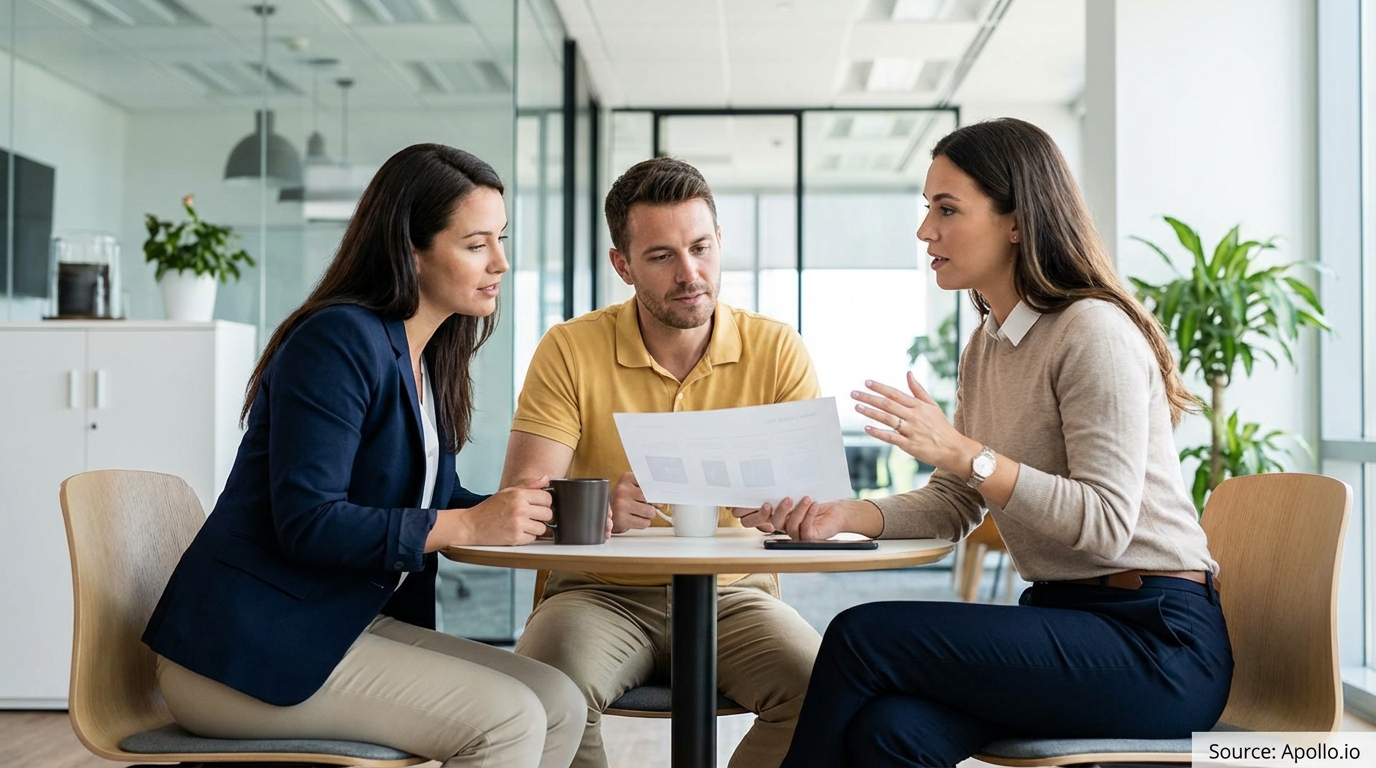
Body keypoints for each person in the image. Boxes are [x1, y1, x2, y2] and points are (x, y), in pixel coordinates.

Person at [742, 118, 1234, 767]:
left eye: (948, 210)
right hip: (1066, 618)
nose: (926, 231)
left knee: (862, 636)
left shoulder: (1093, 333)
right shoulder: (989, 347)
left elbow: (1107, 526)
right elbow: (954, 504)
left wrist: (968, 454)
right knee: (890, 733)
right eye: (927, 209)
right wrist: (843, 516)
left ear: (1017, 221)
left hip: (1155, 643)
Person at [141, 144, 584, 768]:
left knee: (558, 698)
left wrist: (544, 511)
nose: (502, 264)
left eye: (501, 239)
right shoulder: (337, 341)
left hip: (330, 628)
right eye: (477, 243)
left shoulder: (426, 359)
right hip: (241, 655)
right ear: (412, 249)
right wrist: (462, 524)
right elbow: (309, 521)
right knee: (510, 720)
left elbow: (427, 500)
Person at [503, 156, 824, 768]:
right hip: (599, 595)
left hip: (734, 597)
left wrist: (787, 507)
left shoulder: (776, 348)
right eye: (661, 257)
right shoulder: (570, 348)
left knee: (827, 690)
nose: (690, 273)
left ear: (719, 242)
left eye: (701, 247)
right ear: (622, 265)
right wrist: (595, 506)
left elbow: (815, 503)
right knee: (542, 694)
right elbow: (522, 494)